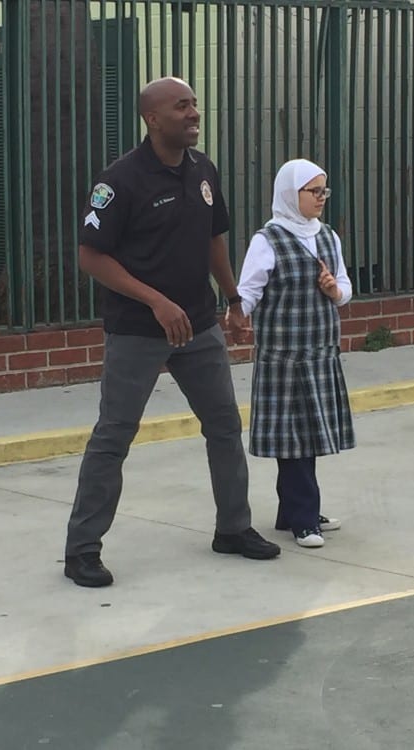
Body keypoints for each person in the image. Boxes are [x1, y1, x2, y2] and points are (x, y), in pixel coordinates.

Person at [64, 77, 280, 587]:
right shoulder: (120, 181)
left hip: (199, 323)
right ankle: (82, 551)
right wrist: (156, 301)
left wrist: (233, 299)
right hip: (137, 330)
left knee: (223, 425)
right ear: (153, 118)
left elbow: (213, 239)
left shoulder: (203, 169)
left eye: (194, 104)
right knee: (114, 435)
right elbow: (91, 256)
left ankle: (233, 528)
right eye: (182, 106)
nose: (193, 113)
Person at [236, 159, 356, 548]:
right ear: (291, 194)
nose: (321, 198)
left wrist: (334, 291)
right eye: (314, 191)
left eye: (324, 191)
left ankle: (292, 513)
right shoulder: (268, 240)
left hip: (320, 354)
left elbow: (345, 287)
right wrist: (236, 317)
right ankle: (304, 520)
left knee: (308, 436)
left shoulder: (328, 237)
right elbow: (248, 291)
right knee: (293, 440)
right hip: (284, 360)